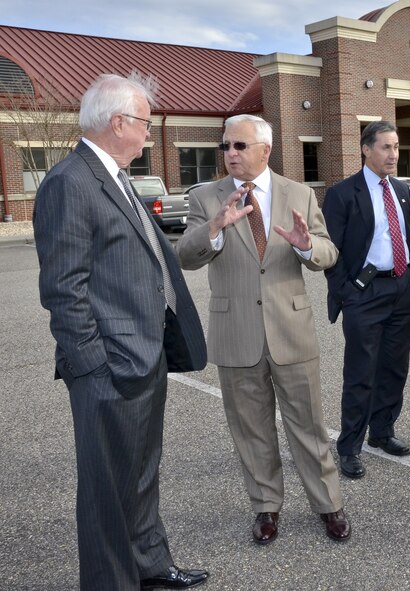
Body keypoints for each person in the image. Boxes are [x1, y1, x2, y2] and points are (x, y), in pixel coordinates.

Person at [33, 72, 209, 590]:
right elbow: (64, 289)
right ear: (118, 123)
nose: (149, 135)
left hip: (143, 356)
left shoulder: (114, 176)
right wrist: (94, 366)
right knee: (107, 490)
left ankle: (150, 566)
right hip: (108, 367)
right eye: (145, 124)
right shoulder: (71, 182)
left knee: (141, 474)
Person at [176, 114, 350, 544]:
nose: (230, 154)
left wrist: (306, 245)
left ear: (265, 150)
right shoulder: (206, 198)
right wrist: (215, 228)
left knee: (308, 425)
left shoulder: (300, 193)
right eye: (225, 147)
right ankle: (266, 508)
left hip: (291, 329)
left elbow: (329, 252)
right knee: (250, 428)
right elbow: (184, 255)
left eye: (239, 146)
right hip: (236, 331)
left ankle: (329, 505)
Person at [322, 120, 410, 479]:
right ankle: (350, 446)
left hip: (402, 288)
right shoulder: (343, 193)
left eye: (396, 147)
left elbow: (408, 239)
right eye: (385, 147)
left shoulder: (402, 190)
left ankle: (382, 432)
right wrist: (347, 292)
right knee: (361, 372)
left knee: (394, 367)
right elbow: (330, 250)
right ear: (366, 149)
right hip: (365, 293)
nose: (393, 154)